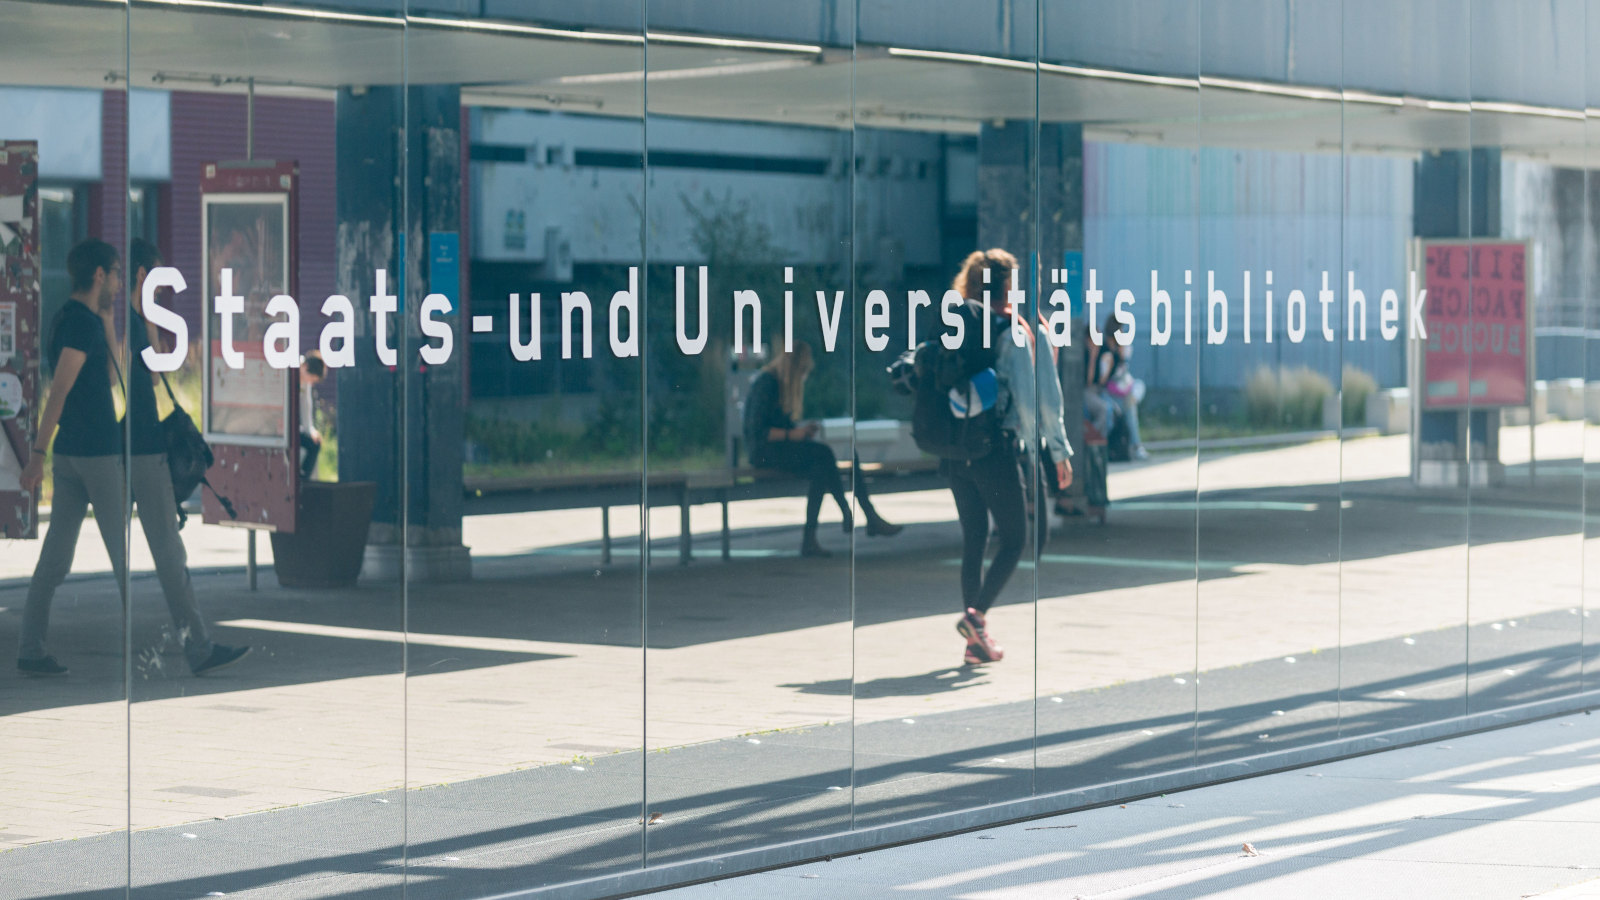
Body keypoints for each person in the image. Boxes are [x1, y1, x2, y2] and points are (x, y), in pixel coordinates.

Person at [17, 238, 248, 678]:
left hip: (77, 455)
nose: (122, 283)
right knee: (132, 558)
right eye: (119, 274)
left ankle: (30, 648)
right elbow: (61, 393)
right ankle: (163, 654)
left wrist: (108, 321)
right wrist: (36, 456)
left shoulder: (72, 319)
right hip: (102, 454)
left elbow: (108, 378)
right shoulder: (91, 325)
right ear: (103, 276)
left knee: (57, 558)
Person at [944, 249, 1072, 665]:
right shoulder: (1018, 331)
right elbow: (1041, 403)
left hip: (956, 449)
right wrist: (1056, 451)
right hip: (996, 449)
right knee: (1021, 538)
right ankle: (976, 617)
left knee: (975, 539)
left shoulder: (966, 323)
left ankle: (974, 642)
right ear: (1011, 287)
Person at [743, 340, 899, 557]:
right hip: (764, 452)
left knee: (824, 467)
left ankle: (813, 537)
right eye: (804, 371)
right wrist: (794, 434)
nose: (804, 376)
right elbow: (757, 432)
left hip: (780, 448)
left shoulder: (781, 386)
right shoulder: (767, 383)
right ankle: (854, 513)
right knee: (824, 455)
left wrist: (801, 432)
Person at [1085, 311, 1148, 460]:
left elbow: (1124, 375)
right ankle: (1127, 446)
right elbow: (1101, 381)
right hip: (1106, 391)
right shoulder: (1105, 350)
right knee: (1119, 410)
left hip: (1121, 390)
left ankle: (1134, 445)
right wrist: (1113, 359)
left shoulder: (1120, 350)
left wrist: (1121, 357)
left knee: (1138, 389)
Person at [298, 351, 326, 480]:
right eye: (312, 378)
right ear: (305, 367)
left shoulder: (304, 382)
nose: (311, 382)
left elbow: (306, 404)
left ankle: (303, 478)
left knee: (314, 444)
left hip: (293, 425)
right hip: (278, 426)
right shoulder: (291, 370)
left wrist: (310, 430)